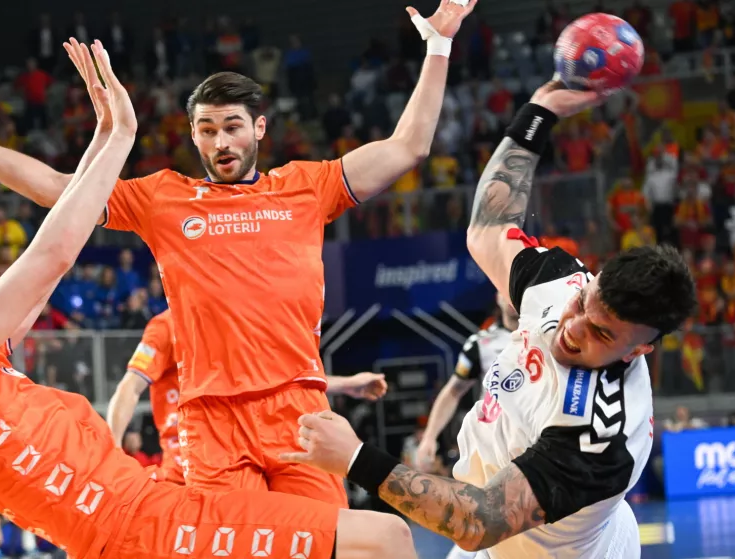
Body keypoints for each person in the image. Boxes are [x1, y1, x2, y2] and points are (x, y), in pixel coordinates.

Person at [0, 0, 476, 505]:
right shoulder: (163, 197)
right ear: (192, 135)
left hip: (300, 410)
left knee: (323, 543)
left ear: (260, 129)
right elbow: (54, 187)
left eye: (233, 126)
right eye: (207, 130)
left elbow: (409, 145)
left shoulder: (307, 185)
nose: (221, 142)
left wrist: (439, 45)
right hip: (211, 421)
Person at [280, 80, 698, 558]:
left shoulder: (598, 433)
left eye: (601, 332)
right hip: (492, 528)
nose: (572, 327)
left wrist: (355, 457)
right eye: (584, 303)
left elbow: (480, 521)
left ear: (641, 348)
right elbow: (488, 229)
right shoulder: (561, 282)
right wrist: (539, 113)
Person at [107, 309, 388, 484]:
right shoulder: (167, 325)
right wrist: (112, 451)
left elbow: (282, 381)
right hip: (186, 465)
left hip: (240, 458)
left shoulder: (237, 324)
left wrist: (348, 384)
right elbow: (129, 387)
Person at [415, 294, 518, 473]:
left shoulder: (546, 332)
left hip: (537, 438)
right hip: (496, 445)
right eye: (503, 289)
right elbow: (453, 391)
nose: (508, 296)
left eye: (512, 288)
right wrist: (429, 437)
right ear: (497, 297)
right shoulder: (481, 343)